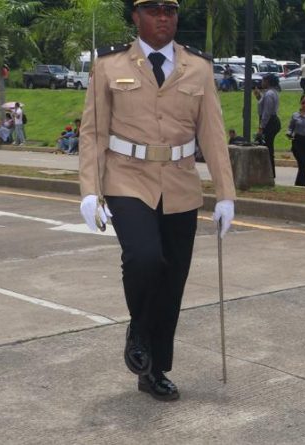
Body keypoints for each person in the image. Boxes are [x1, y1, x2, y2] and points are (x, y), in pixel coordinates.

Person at [77, 0, 235, 402]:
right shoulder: (109, 65)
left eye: (169, 10)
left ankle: (153, 370)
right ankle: (138, 329)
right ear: (136, 17)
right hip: (126, 177)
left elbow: (213, 134)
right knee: (145, 257)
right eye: (152, 10)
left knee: (173, 278)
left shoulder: (198, 67)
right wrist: (90, 190)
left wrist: (225, 194)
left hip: (180, 180)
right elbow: (93, 132)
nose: (162, 17)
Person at [256, 73, 280, 178]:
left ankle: (269, 172)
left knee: (267, 147)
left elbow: (267, 112)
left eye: (263, 80)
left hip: (270, 122)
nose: (262, 82)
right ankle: (268, 172)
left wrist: (261, 127)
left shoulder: (269, 94)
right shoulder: (271, 93)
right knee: (267, 146)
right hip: (271, 121)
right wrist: (259, 97)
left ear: (267, 81)